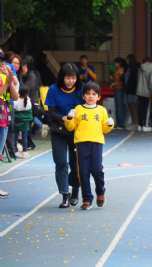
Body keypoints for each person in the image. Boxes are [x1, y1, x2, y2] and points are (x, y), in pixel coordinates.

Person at [65, 82, 114, 210]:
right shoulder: (78, 109)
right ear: (83, 96)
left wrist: (110, 125)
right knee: (83, 172)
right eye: (88, 94)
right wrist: (69, 118)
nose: (91, 96)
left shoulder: (102, 110)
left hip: (97, 143)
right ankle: (87, 199)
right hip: (81, 143)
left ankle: (100, 191)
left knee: (97, 170)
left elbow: (104, 129)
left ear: (98, 97)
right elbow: (70, 127)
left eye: (94, 94)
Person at [45, 63, 83, 208]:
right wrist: (64, 118)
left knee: (76, 163)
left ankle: (75, 191)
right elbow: (50, 112)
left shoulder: (81, 89)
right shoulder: (53, 89)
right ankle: (64, 194)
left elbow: (88, 105)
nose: (70, 81)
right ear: (62, 77)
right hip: (59, 130)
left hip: (76, 132)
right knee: (61, 162)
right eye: (67, 78)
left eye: (73, 78)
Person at [0, 48, 19, 198]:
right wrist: (7, 82)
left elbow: (15, 96)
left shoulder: (5, 73)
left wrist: (11, 79)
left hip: (3, 114)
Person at [13, 88, 33, 158]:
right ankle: (25, 151)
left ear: (19, 93)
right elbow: (30, 110)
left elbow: (13, 109)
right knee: (25, 137)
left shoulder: (16, 101)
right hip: (25, 122)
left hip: (17, 121)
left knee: (15, 137)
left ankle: (15, 151)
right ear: (27, 94)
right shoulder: (28, 100)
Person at [136, 57, 152, 132]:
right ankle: (144, 125)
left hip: (140, 91)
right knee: (146, 109)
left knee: (140, 108)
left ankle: (140, 125)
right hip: (147, 91)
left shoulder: (140, 67)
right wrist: (151, 90)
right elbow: (151, 81)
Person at [110, 57, 127, 129]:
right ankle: (119, 123)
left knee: (119, 106)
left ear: (119, 63)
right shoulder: (117, 70)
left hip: (119, 89)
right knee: (118, 106)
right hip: (117, 89)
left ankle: (121, 124)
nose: (115, 64)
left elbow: (120, 80)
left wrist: (114, 84)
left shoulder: (121, 70)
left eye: (116, 63)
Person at [125, 54, 139, 130]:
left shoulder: (133, 69)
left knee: (133, 107)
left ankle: (135, 122)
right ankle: (134, 122)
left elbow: (132, 80)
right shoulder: (131, 68)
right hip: (131, 90)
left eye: (127, 60)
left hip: (132, 90)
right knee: (132, 106)